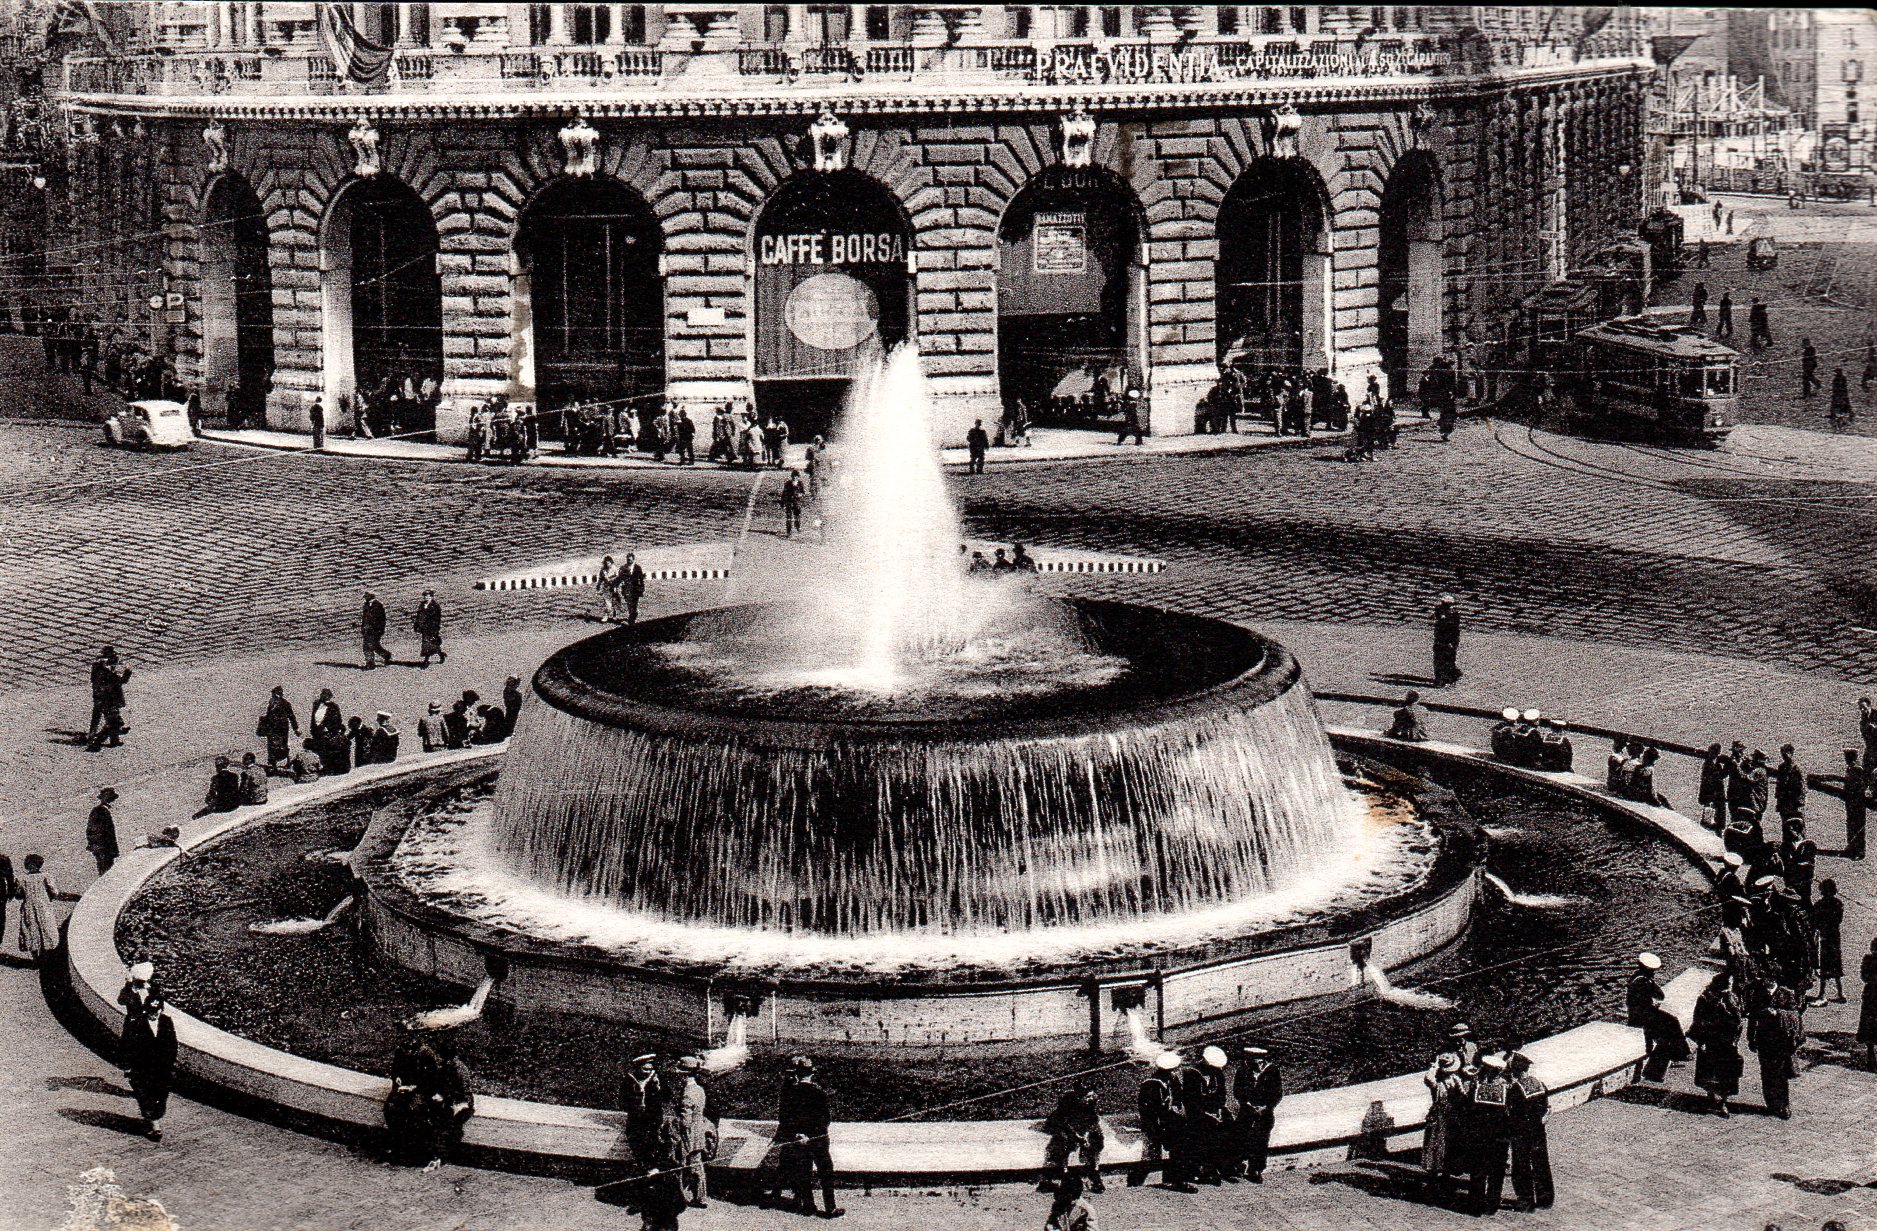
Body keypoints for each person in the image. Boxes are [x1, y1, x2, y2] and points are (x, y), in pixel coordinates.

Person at [769, 1055, 842, 1217]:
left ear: (797, 1074)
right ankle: (830, 1208)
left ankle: (808, 1206)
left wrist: (798, 1134)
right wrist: (811, 1134)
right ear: (812, 1074)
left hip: (799, 1140)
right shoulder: (819, 1092)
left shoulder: (790, 1092)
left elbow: (786, 1118)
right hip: (818, 1140)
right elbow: (825, 1119)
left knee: (804, 1173)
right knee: (826, 1172)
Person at [117, 962, 178, 1140]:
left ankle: (152, 1118)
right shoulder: (131, 992)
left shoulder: (163, 1017)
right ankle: (154, 1125)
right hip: (138, 1040)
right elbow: (122, 1001)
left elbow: (172, 1044)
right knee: (145, 1092)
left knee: (158, 1093)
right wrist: (129, 985)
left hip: (159, 1063)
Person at [1690, 968, 1744, 1117]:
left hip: (1727, 1042)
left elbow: (1738, 1021)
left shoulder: (1732, 998)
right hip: (1710, 1040)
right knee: (1709, 1072)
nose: (1731, 986)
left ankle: (1723, 1102)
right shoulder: (1705, 998)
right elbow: (1698, 1020)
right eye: (1729, 983)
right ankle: (1711, 1098)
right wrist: (1701, 1041)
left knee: (1726, 1074)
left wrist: (1735, 1039)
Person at [1627, 952, 1689, 1082]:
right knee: (1666, 1036)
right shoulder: (1642, 982)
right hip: (1643, 1016)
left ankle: (1680, 1053)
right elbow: (1658, 996)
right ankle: (1655, 1071)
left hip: (1644, 1013)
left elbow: (1659, 995)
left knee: (1672, 1022)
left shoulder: (1639, 978)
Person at [1464, 1054, 1512, 1216]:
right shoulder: (1507, 1088)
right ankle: (1492, 1205)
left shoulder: (1476, 1087)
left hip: (1479, 1135)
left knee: (1478, 1170)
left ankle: (1475, 1205)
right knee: (1496, 1171)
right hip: (1499, 1136)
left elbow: (1469, 1109)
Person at [1749, 979, 1804, 1119]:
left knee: (1780, 1074)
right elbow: (1752, 1017)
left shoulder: (1786, 994)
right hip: (1764, 1040)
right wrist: (1751, 1039)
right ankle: (1771, 1104)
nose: (1767, 984)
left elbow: (1795, 1015)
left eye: (1770, 981)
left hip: (1781, 1041)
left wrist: (1778, 1013)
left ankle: (1784, 1105)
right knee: (1766, 1072)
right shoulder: (1758, 993)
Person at [1504, 1051, 1552, 1211]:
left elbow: (1511, 1112)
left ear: (1515, 1070)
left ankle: (1526, 1200)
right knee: (1541, 1163)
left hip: (1521, 1132)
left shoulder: (1516, 1088)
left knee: (1521, 1165)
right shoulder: (1539, 1083)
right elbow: (1546, 1107)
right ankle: (1545, 1199)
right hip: (1538, 1130)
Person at [1131, 1051, 1185, 1189]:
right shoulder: (1153, 1084)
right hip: (1158, 1124)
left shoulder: (1170, 1081)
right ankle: (1175, 1180)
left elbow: (1177, 1099)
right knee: (1173, 1148)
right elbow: (1152, 1110)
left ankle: (1174, 1179)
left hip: (1166, 1122)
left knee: (1176, 1147)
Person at [670, 1056, 717, 1208]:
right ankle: (700, 1197)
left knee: (682, 1164)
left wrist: (675, 1129)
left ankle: (681, 1197)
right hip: (698, 1131)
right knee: (697, 1165)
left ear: (684, 1075)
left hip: (688, 1134)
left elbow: (685, 1121)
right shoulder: (699, 1090)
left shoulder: (687, 1093)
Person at [1040, 1083, 1104, 1193]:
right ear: (1079, 1096)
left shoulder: (1091, 1102)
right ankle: (1054, 1178)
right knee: (1063, 1143)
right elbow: (1063, 1122)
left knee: (1096, 1139)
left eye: (1091, 1096)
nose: (1090, 1099)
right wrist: (1077, 1136)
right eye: (1087, 1097)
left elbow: (1093, 1120)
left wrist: (1086, 1135)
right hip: (1063, 1125)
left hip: (1081, 1126)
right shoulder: (1067, 1102)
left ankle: (1093, 1174)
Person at [1232, 1045, 1281, 1183]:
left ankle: (1255, 1169)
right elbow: (1237, 1091)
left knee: (1261, 1138)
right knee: (1241, 1135)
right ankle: (1239, 1165)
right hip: (1247, 1110)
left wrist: (1266, 1107)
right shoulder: (1242, 1070)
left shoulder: (1272, 1071)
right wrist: (1247, 1104)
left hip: (1265, 1112)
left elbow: (1277, 1093)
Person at [1182, 1046, 1230, 1185]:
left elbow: (1221, 1095)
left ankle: (1225, 1167)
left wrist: (1218, 1109)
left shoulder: (1218, 1074)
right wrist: (1207, 1113)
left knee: (1229, 1127)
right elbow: (1191, 1100)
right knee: (1202, 1133)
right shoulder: (1191, 1074)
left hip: (1214, 1111)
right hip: (1197, 1113)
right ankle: (1203, 1170)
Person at [16, 853, 74, 964]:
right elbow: (55, 892)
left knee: (32, 930)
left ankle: (36, 958)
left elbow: (18, 894)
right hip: (44, 906)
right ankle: (46, 956)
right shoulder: (46, 876)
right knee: (46, 928)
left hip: (29, 907)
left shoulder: (22, 879)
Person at [1422, 1051, 1466, 1194]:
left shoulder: (1454, 1080)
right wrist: (1435, 1066)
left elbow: (1463, 1095)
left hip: (1450, 1116)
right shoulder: (1437, 1082)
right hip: (1440, 1116)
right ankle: (1434, 1177)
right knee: (1436, 1145)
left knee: (1447, 1145)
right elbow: (1428, 1078)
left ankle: (1444, 1176)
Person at [619, 1053, 664, 1184]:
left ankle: (652, 1170)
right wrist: (635, 1101)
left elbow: (667, 1097)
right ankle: (643, 1169)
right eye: (645, 1069)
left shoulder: (657, 1079)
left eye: (650, 1069)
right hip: (636, 1119)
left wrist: (659, 1088)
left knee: (652, 1142)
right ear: (638, 1068)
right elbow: (622, 1101)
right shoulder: (629, 1080)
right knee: (635, 1140)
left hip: (653, 1119)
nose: (648, 1072)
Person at [87, 646, 131, 751]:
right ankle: (98, 739)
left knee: (105, 718)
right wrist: (127, 671)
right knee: (111, 720)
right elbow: (121, 680)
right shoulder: (105, 670)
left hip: (102, 696)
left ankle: (109, 738)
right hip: (108, 698)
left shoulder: (98, 666)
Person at [1812, 878, 1846, 1005]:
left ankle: (1822, 994)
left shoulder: (1819, 904)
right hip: (1834, 937)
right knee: (1836, 965)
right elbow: (1838, 920)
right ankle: (1840, 993)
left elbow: (1815, 921)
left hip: (1825, 937)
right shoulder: (1838, 903)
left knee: (1825, 964)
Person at [258, 685, 300, 772]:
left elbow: (291, 716)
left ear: (278, 694)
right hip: (273, 728)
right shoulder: (271, 703)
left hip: (281, 728)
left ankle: (285, 762)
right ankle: (273, 763)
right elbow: (268, 715)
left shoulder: (285, 703)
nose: (273, 695)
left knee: (281, 746)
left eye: (274, 693)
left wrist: (296, 728)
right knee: (272, 746)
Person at [86, 787, 120, 876]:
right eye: (110, 798)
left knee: (107, 869)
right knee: (105, 871)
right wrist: (98, 846)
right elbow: (94, 830)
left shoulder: (104, 810)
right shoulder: (99, 811)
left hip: (105, 848)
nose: (112, 801)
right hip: (103, 848)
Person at [1431, 594, 1462, 686]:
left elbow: (1454, 631)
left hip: (1447, 641)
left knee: (1446, 660)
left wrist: (1452, 642)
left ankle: (1447, 678)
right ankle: (1443, 678)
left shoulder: (1453, 615)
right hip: (1441, 641)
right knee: (1440, 660)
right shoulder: (1440, 613)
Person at [310, 688, 345, 766]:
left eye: (325, 695)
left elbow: (338, 720)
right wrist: (313, 729)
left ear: (329, 696)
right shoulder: (316, 704)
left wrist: (331, 729)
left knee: (327, 749)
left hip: (328, 731)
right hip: (317, 731)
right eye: (322, 694)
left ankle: (328, 766)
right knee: (318, 749)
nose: (322, 696)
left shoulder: (334, 706)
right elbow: (313, 718)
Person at [361, 590, 394, 668]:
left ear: (371, 596)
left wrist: (380, 629)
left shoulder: (378, 605)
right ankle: (384, 656)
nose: (365, 598)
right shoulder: (366, 605)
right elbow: (364, 618)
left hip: (375, 630)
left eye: (367, 596)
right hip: (367, 629)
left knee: (370, 645)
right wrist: (363, 628)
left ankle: (371, 663)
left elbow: (382, 619)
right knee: (370, 645)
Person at [413, 590, 447, 666]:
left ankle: (426, 660)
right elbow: (419, 616)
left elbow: (437, 619)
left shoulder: (435, 606)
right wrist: (417, 625)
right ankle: (440, 654)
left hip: (432, 628)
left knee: (428, 643)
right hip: (424, 627)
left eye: (428, 596)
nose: (426, 597)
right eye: (425, 596)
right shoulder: (422, 605)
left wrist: (435, 628)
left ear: (431, 597)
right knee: (427, 643)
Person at [1775, 745, 1807, 820]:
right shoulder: (1781, 768)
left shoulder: (1797, 768)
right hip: (1784, 802)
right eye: (1782, 754)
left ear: (1791, 753)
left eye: (1785, 754)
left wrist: (1800, 802)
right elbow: (1779, 785)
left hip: (1795, 801)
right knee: (1785, 821)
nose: (1784, 756)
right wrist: (1779, 799)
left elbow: (1803, 786)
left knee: (1797, 821)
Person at [621, 553, 647, 626]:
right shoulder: (624, 568)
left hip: (635, 589)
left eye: (630, 559)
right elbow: (621, 577)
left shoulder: (638, 568)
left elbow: (641, 579)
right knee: (629, 605)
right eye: (627, 559)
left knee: (634, 605)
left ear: (633, 559)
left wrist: (642, 588)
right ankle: (632, 616)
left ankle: (631, 621)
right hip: (627, 589)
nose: (628, 561)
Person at [780, 469, 805, 537]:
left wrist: (800, 495)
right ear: (791, 476)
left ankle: (798, 527)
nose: (794, 477)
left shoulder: (800, 483)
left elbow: (803, 492)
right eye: (793, 476)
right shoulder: (788, 483)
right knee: (789, 517)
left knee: (797, 516)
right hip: (789, 502)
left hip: (797, 502)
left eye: (796, 476)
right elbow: (784, 493)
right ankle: (789, 531)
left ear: (798, 477)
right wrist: (782, 502)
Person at [598, 556, 622, 622]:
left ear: (611, 562)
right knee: (607, 603)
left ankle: (615, 615)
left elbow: (618, 578)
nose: (607, 565)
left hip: (614, 587)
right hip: (606, 587)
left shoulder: (615, 569)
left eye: (608, 563)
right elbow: (602, 578)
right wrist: (599, 586)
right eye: (606, 563)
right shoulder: (603, 569)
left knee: (615, 602)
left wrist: (615, 586)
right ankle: (606, 616)